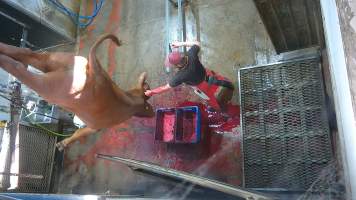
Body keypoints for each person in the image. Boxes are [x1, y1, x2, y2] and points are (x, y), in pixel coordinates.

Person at [145, 41, 234, 111]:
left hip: (202, 86)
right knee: (220, 79)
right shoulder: (191, 54)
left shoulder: (180, 76)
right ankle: (229, 84)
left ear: (177, 65)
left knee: (210, 98)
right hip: (208, 74)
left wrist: (151, 92)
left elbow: (165, 88)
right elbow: (197, 43)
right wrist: (180, 43)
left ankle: (218, 109)